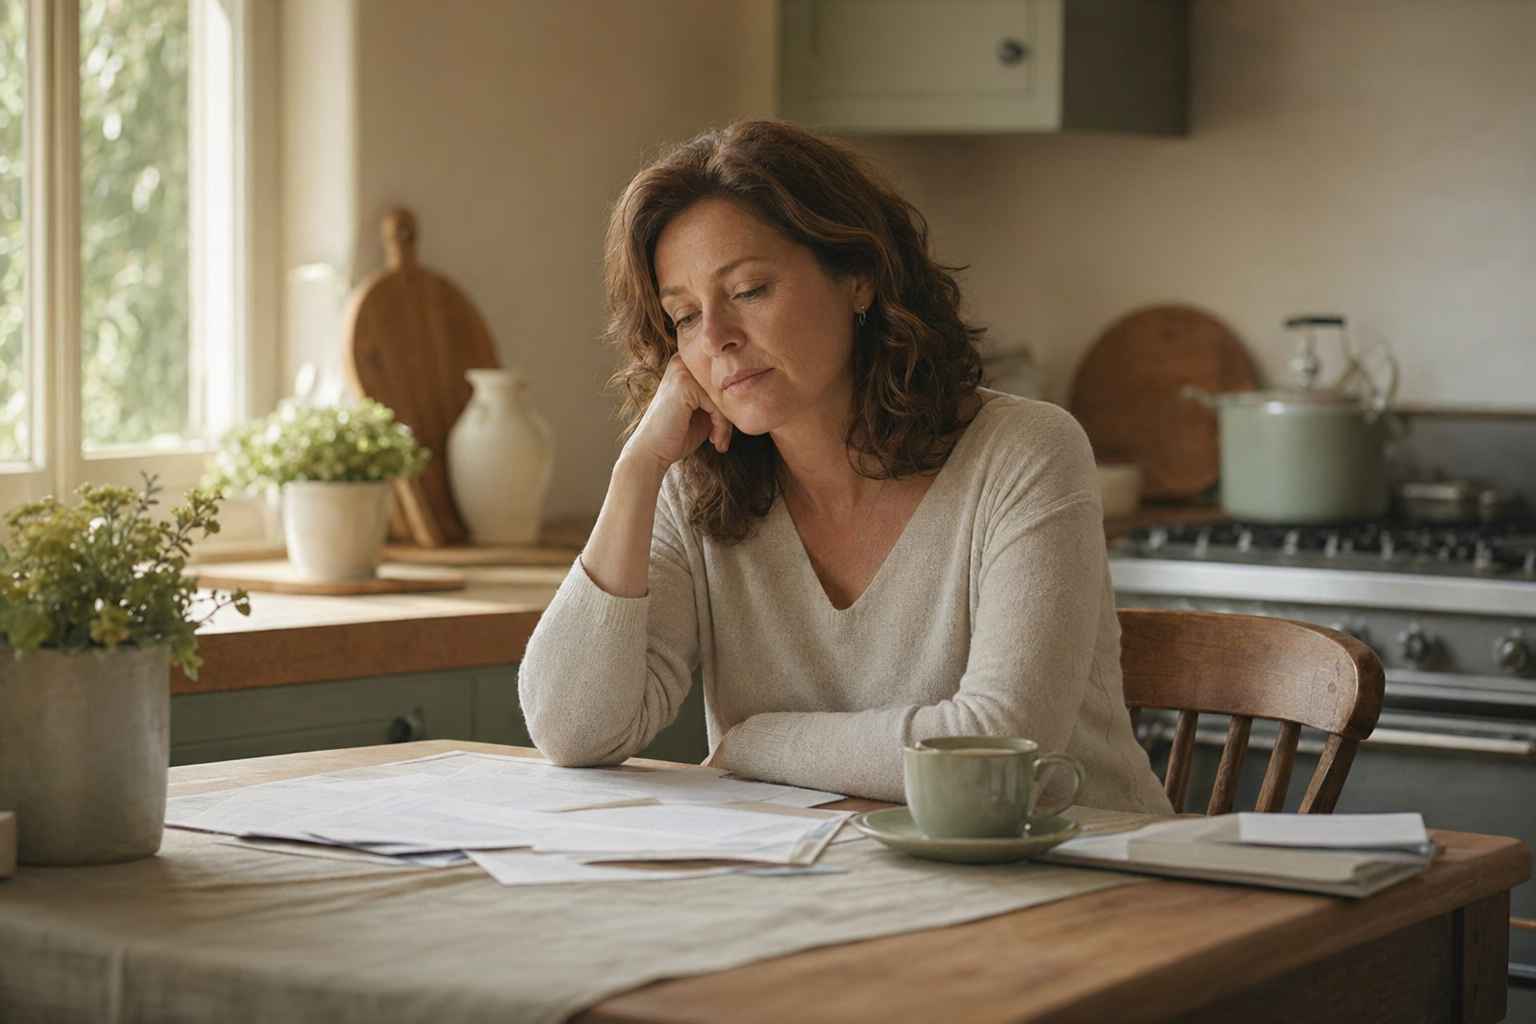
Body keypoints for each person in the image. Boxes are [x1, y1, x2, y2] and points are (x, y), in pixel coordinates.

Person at [519, 118, 1171, 813]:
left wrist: (754, 745)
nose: (716, 339)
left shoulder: (1026, 452)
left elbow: (998, 753)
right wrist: (638, 468)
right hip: (825, 883)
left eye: (748, 290)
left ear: (858, 277)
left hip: (1087, 883)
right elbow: (574, 732)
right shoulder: (699, 487)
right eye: (683, 317)